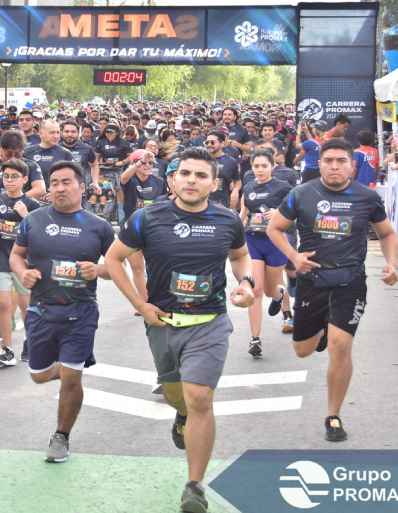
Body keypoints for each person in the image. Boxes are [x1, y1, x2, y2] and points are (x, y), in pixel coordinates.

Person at [105, 147, 254, 513]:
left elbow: (239, 256)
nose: (192, 180)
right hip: (163, 323)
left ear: (214, 184)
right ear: (173, 178)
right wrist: (140, 305)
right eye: (185, 173)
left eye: (201, 175)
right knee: (177, 397)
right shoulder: (148, 217)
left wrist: (247, 283)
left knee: (200, 396)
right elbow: (113, 258)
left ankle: (195, 485)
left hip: (210, 321)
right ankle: (181, 414)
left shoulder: (227, 220)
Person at [266, 138, 398, 442]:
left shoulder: (367, 197)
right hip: (312, 282)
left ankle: (333, 415)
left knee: (341, 346)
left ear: (353, 165)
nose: (335, 165)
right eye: (329, 160)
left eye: (341, 160)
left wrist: (390, 264)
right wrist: (294, 256)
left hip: (350, 282)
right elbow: (275, 228)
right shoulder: (301, 193)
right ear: (319, 164)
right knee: (303, 350)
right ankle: (323, 330)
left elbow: (388, 233)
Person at [9, 161, 115, 463]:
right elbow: (17, 255)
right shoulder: (33, 220)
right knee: (39, 376)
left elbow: (115, 267)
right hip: (41, 311)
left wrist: (99, 269)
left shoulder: (99, 226)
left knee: (71, 377)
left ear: (82, 188)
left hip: (81, 312)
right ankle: (70, 369)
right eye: (54, 182)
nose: (59, 187)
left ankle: (61, 436)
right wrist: (22, 273)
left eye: (67, 182)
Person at [0, 158, 41, 366]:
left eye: (14, 177)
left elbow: (39, 235)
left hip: (23, 262)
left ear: (25, 179)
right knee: (4, 304)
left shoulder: (32, 204)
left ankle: (28, 341)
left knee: (26, 305)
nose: (9, 180)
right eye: (6, 176)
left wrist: (25, 215)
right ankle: (7, 350)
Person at [238, 149, 295, 357]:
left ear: (272, 166)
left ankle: (279, 295)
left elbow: (296, 212)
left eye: (264, 166)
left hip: (276, 242)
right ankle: (255, 339)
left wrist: (279, 213)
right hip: (252, 240)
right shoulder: (249, 187)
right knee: (257, 289)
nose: (260, 170)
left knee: (271, 290)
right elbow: (243, 214)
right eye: (256, 166)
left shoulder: (284, 187)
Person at [120, 150, 169, 313]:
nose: (147, 165)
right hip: (133, 228)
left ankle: (160, 298)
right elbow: (123, 178)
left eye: (150, 162)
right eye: (143, 162)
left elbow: (165, 203)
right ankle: (145, 302)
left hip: (155, 229)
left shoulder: (160, 181)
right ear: (135, 163)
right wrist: (140, 161)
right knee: (137, 268)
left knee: (157, 266)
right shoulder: (130, 180)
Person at [24, 120, 75, 190]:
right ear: (40, 133)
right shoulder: (27, 152)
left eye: (58, 133)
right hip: (31, 197)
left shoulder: (65, 153)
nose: (56, 136)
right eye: (52, 133)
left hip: (56, 197)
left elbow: (74, 179)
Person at [204, 130, 241, 209]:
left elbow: (237, 181)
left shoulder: (231, 161)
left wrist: (235, 190)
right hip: (202, 203)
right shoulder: (200, 160)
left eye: (213, 142)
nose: (209, 145)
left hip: (222, 204)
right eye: (207, 142)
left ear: (222, 143)